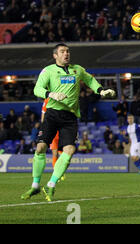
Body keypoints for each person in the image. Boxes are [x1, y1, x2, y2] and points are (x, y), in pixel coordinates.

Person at [21, 43, 116, 201]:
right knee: (40, 148)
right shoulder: (48, 70)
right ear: (55, 55)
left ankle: (50, 185)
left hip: (70, 117)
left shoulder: (77, 69)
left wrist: (101, 90)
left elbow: (90, 80)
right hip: (52, 114)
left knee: (70, 150)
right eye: (62, 51)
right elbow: (37, 89)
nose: (66, 54)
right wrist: (51, 94)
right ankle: (35, 185)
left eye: (68, 51)